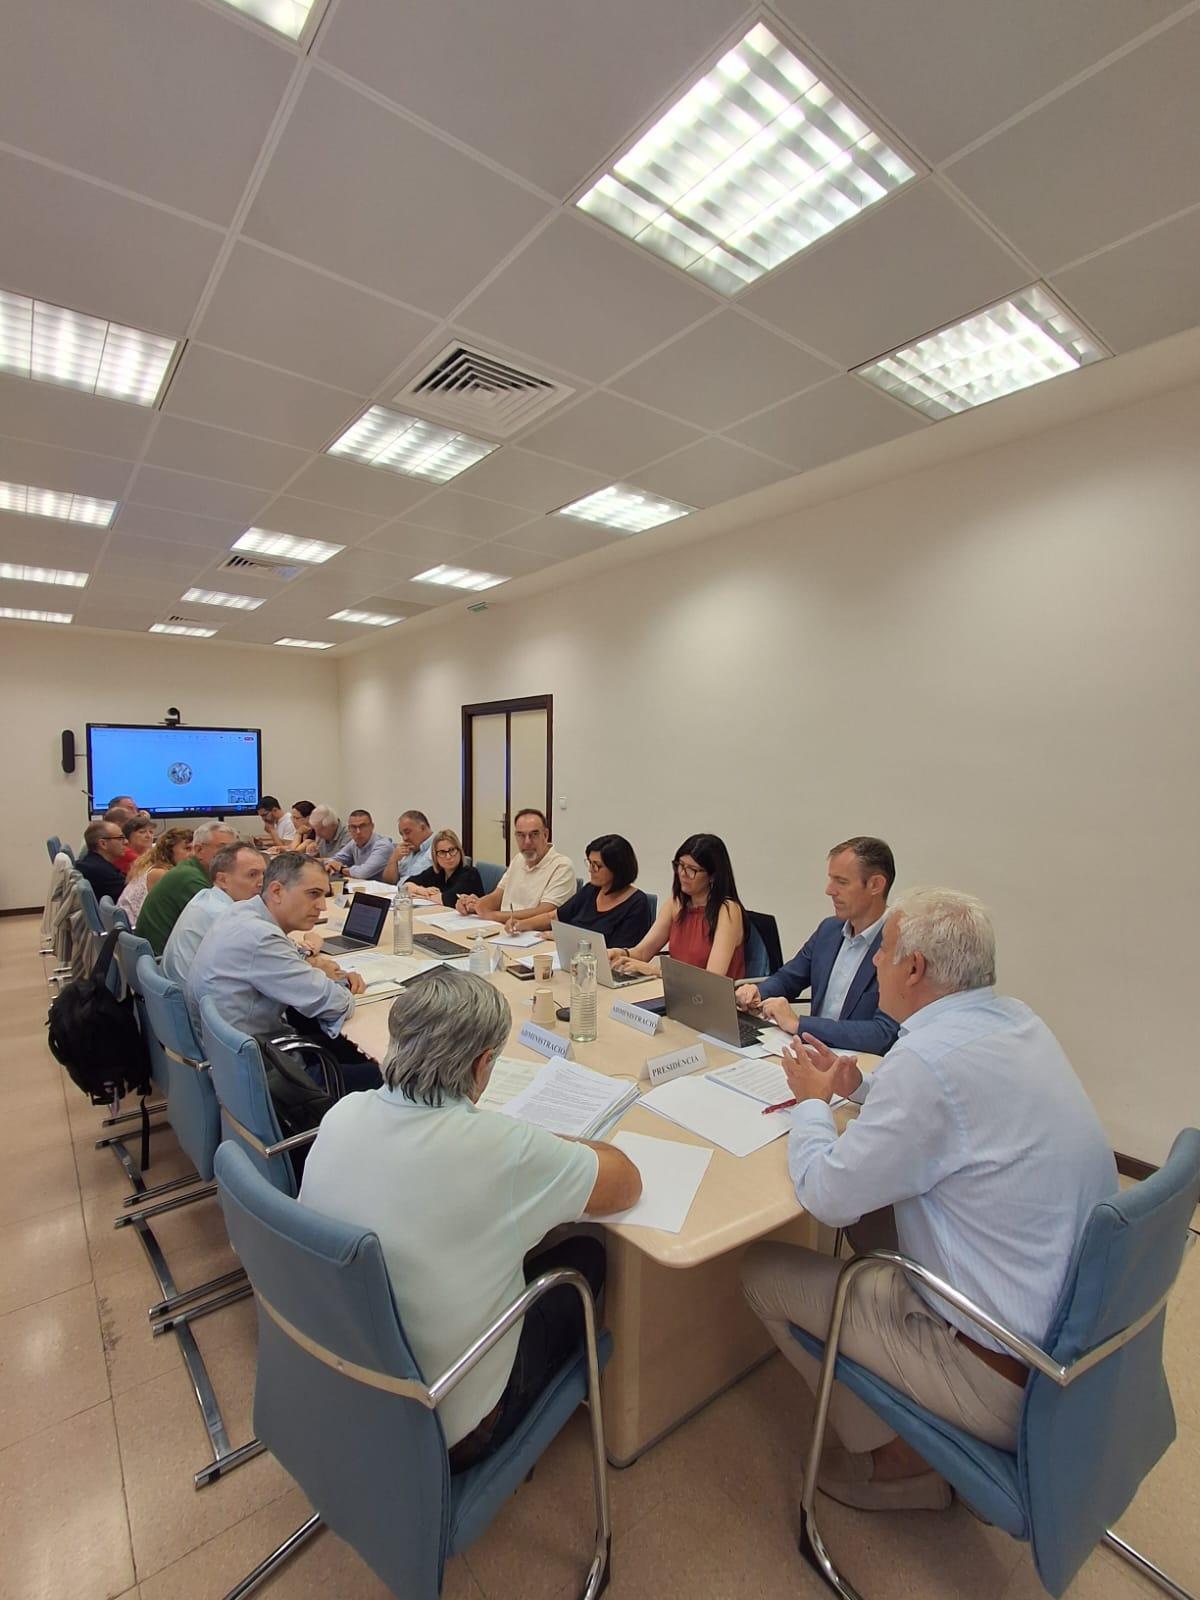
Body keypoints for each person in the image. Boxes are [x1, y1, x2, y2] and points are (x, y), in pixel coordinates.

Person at [740, 889, 1118, 1512]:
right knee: (876, 1223)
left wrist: (812, 1103)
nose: (874, 963)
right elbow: (957, 1108)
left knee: (762, 1271)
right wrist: (859, 1085)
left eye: (883, 952)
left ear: (914, 968)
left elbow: (828, 1197)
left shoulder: (926, 1060)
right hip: (1073, 1342)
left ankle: (902, 1460)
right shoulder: (1016, 1021)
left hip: (999, 1370)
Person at [298, 968, 641, 1468]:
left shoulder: (343, 1113)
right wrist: (546, 1142)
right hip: (448, 1422)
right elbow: (625, 1181)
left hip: (338, 1376)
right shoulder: (500, 1149)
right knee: (585, 1253)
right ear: (483, 1063)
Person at [186, 852, 379, 1090]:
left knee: (339, 1044)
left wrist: (315, 972)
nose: (322, 906)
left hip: (238, 1061)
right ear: (276, 891)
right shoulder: (261, 938)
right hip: (270, 1078)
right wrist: (344, 985)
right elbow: (334, 1003)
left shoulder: (241, 912)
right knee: (389, 1076)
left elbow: (287, 965)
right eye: (313, 894)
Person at [735, 837, 901, 1055]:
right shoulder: (829, 930)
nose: (829, 890)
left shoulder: (899, 944)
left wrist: (800, 1024)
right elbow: (789, 978)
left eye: (841, 882)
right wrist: (757, 992)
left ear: (875, 885)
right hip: (810, 1054)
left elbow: (884, 1033)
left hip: (858, 1061)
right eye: (831, 879)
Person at [610, 833, 745, 980]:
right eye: (680, 865)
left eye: (692, 870)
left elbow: (712, 978)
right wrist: (620, 953)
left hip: (709, 993)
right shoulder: (675, 904)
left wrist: (654, 970)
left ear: (712, 876)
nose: (682, 874)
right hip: (677, 989)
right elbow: (642, 953)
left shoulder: (728, 910)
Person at [507, 834, 653, 946]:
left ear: (617, 868)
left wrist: (563, 938)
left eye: (597, 865)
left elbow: (618, 951)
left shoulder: (637, 904)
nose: (590, 870)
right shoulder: (592, 890)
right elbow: (554, 917)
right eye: (589, 863)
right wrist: (521, 924)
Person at [161, 842, 267, 988]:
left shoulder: (206, 896)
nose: (262, 883)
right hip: (197, 998)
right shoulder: (225, 916)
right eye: (252, 875)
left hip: (184, 990)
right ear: (222, 880)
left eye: (264, 874)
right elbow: (268, 967)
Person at [135, 821, 236, 955]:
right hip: (159, 958)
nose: (233, 857)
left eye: (234, 850)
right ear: (199, 850)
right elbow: (227, 925)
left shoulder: (191, 870)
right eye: (224, 849)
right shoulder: (190, 879)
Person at [456, 809, 575, 922]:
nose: (527, 842)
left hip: (534, 933)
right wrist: (474, 904)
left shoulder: (562, 866)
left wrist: (493, 915)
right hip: (504, 928)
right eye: (521, 835)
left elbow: (545, 912)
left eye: (534, 834)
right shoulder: (518, 859)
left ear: (545, 835)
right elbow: (497, 896)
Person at [118, 827, 193, 923]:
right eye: (187, 848)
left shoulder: (153, 867)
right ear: (169, 851)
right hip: (137, 928)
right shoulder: (160, 874)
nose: (193, 854)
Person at [407, 828, 483, 906]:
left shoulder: (470, 874)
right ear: (435, 856)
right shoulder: (437, 871)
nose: (448, 856)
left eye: (452, 850)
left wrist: (423, 896)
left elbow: (448, 899)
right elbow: (406, 885)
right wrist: (421, 890)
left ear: (459, 851)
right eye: (442, 852)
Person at [323, 809, 394, 881]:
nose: (358, 831)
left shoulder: (383, 846)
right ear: (349, 829)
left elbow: (363, 873)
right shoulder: (354, 843)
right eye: (353, 827)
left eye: (362, 826)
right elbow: (334, 859)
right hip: (361, 885)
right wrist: (330, 865)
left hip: (380, 887)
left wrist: (341, 869)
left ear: (372, 826)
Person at [76, 819, 128, 901]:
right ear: (103, 844)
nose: (126, 842)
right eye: (120, 838)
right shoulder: (100, 871)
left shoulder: (92, 862)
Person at [382, 810, 435, 885]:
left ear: (422, 828)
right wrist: (393, 860)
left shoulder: (439, 848)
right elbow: (389, 882)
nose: (404, 838)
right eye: (401, 834)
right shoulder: (406, 850)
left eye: (407, 832)